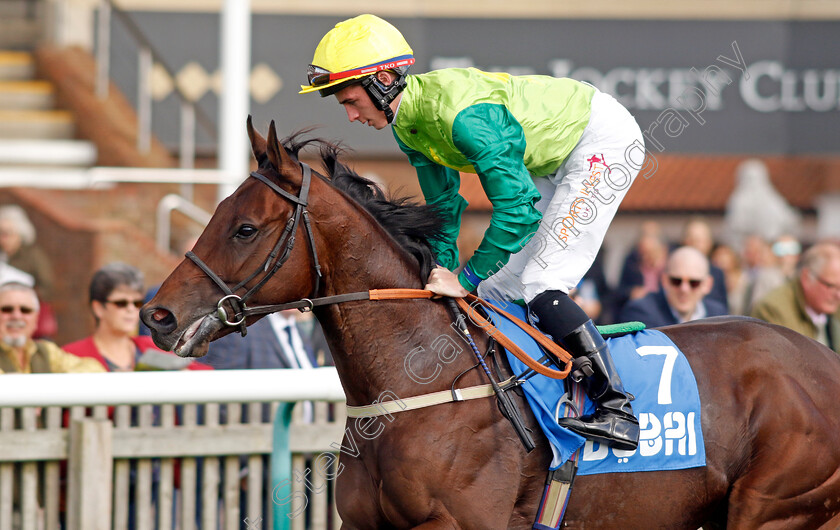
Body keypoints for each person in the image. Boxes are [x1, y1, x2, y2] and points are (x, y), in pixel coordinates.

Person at [300, 14, 644, 449]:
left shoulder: (462, 118)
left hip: (600, 143)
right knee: (498, 290)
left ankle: (617, 407)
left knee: (541, 281)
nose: (350, 116)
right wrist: (438, 273)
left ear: (384, 80)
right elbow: (445, 207)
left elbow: (518, 210)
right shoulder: (409, 124)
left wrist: (463, 280)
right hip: (554, 158)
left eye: (351, 101)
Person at [63, 263, 211, 371]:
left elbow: (205, 375)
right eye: (121, 303)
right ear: (98, 308)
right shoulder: (71, 355)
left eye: (137, 303)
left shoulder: (151, 347)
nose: (131, 309)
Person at [750, 241, 840, 353]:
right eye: (831, 286)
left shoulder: (834, 309)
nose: (838, 295)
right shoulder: (773, 310)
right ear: (807, 278)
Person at [0, 282, 104, 374]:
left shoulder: (47, 351)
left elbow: (94, 369)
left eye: (25, 310)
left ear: (36, 318)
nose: (17, 316)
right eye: (7, 309)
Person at [619, 246, 728, 328]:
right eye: (676, 281)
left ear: (708, 285)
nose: (684, 289)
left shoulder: (720, 316)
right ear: (664, 280)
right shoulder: (640, 314)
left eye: (694, 283)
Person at [0, 205, 57, 338]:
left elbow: (48, 288)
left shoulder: (33, 256)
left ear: (20, 234)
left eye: (7, 234)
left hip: (27, 318)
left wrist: (23, 294)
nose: (3, 238)